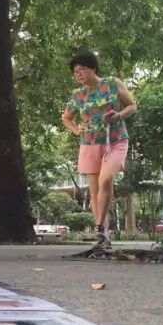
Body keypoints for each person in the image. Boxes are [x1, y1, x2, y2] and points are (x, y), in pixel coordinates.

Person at [61, 51, 137, 251]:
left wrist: (117, 116)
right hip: (89, 144)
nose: (78, 74)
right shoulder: (77, 95)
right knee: (95, 193)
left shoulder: (112, 83)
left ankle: (99, 227)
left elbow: (132, 106)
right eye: (75, 71)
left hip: (115, 140)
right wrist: (76, 130)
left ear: (93, 68)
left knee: (106, 179)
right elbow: (66, 118)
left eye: (82, 69)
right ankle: (103, 235)